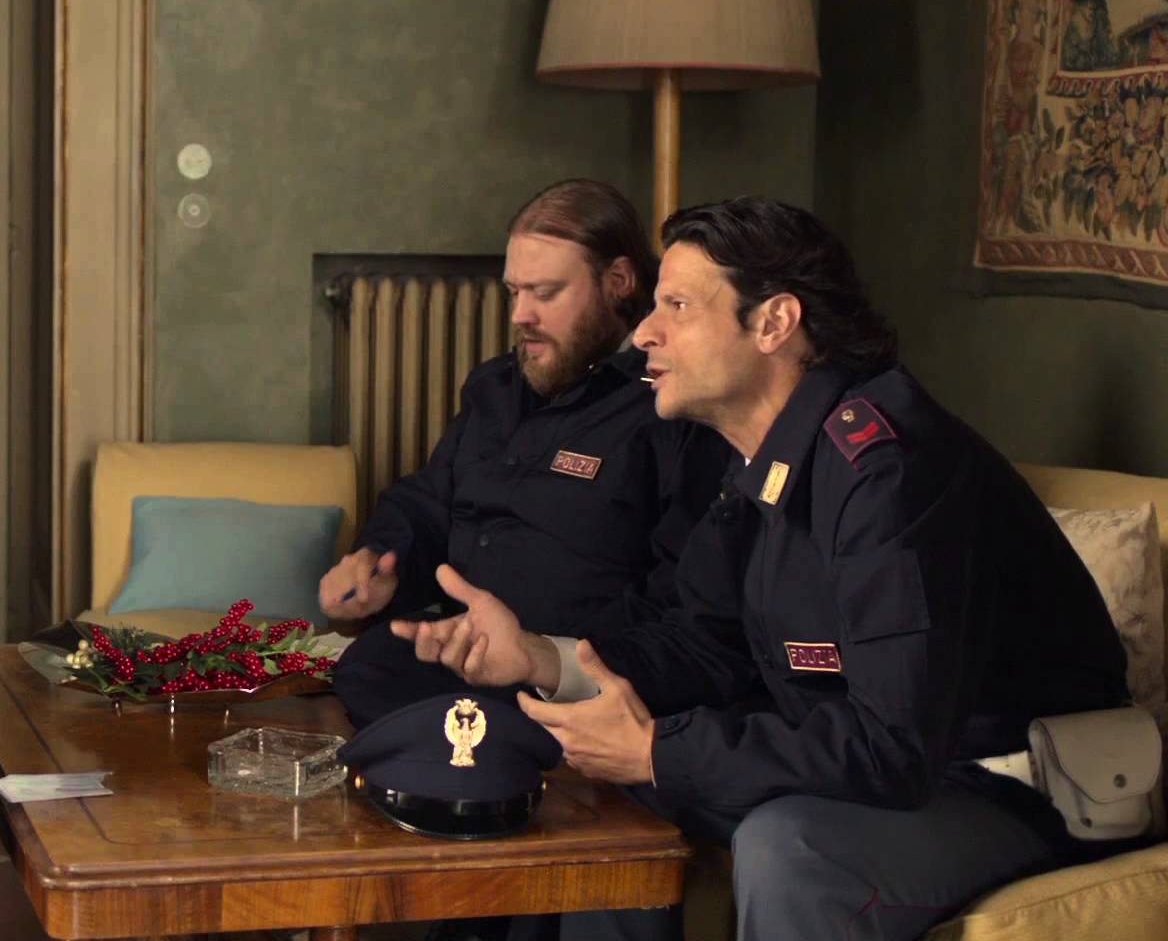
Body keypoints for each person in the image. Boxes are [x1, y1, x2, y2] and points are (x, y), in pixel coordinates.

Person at [397, 198, 1132, 941]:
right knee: (608, 798)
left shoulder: (889, 470)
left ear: (775, 323)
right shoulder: (763, 454)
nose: (644, 332)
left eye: (678, 306)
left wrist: (658, 750)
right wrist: (540, 658)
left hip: (1013, 787)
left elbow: (895, 747)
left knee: (790, 849)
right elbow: (703, 643)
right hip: (889, 774)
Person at [325, 179, 731, 726]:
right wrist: (380, 560)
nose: (520, 315)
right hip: (461, 655)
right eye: (515, 292)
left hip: (573, 678)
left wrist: (544, 657)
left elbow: (679, 608)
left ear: (618, 281)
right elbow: (429, 501)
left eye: (545, 293)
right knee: (364, 669)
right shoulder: (495, 387)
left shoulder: (670, 404)